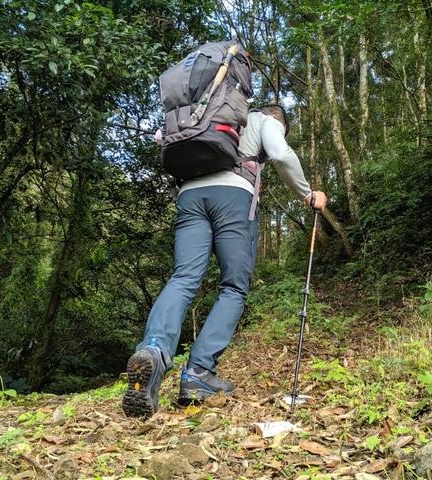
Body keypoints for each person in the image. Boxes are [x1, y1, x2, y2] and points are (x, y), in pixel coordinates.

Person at [122, 105, 328, 418]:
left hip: (189, 195)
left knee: (184, 277)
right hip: (232, 195)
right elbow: (281, 154)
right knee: (233, 286)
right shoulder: (263, 120)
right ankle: (198, 374)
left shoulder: (212, 116)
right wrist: (307, 194)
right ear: (279, 120)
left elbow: (163, 138)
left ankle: (153, 349)